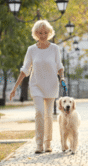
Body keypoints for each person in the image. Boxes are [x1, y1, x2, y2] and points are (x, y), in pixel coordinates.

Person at [10, 20, 65, 154]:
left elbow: (59, 66)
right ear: (36, 33)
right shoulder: (31, 50)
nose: (43, 35)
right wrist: (15, 87)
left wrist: (62, 78)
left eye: (45, 32)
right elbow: (25, 69)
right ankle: (39, 144)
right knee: (39, 112)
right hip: (36, 85)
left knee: (48, 115)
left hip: (51, 84)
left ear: (49, 33)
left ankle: (48, 143)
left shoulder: (54, 49)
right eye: (40, 33)